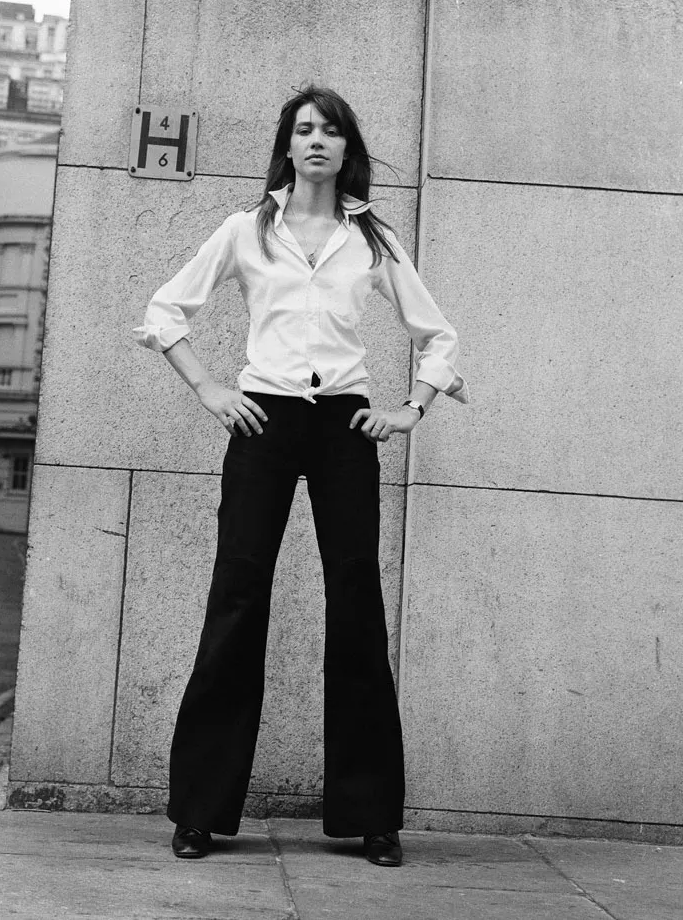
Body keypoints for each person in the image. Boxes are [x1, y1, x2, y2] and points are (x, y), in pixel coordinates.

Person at [134, 85, 467, 868]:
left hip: (345, 425)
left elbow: (436, 332)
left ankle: (372, 816)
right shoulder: (246, 231)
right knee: (238, 596)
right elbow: (165, 310)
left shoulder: (371, 240)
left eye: (330, 130)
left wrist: (412, 406)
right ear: (287, 145)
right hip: (265, 422)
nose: (316, 140)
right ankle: (201, 812)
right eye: (304, 129)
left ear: (348, 148)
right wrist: (212, 389)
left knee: (356, 600)